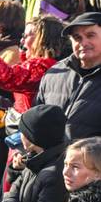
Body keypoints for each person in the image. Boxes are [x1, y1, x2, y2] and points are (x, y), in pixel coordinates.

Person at [0, 14, 65, 113]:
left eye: (26, 36)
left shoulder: (42, 67)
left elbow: (6, 76)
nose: (22, 40)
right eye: (22, 36)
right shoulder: (48, 64)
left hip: (30, 125)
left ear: (41, 39)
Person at [0, 104, 67, 202]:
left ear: (33, 138)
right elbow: (15, 188)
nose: (19, 135)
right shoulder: (34, 158)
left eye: (22, 132)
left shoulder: (53, 175)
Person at [35, 12, 101, 142]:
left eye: (90, 35)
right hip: (50, 161)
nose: (83, 42)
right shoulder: (55, 73)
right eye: (77, 38)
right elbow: (36, 119)